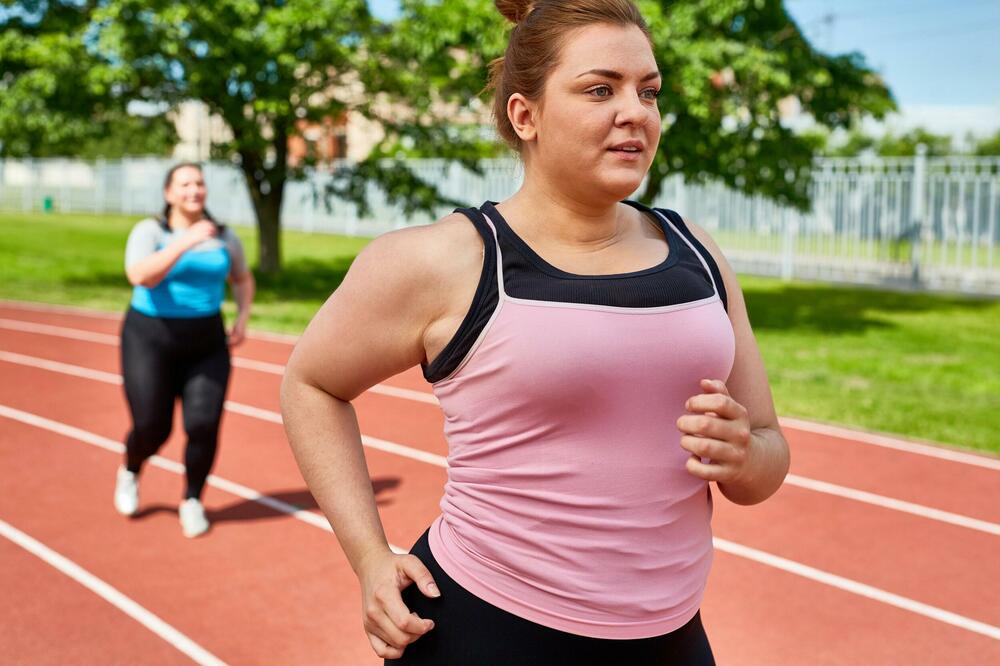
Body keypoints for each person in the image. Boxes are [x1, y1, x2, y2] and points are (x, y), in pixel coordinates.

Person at [281, 0, 790, 663]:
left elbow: (768, 450)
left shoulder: (699, 254)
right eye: (600, 89)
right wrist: (370, 557)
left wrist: (744, 457)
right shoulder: (446, 260)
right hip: (488, 631)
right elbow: (311, 383)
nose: (635, 110)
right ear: (526, 116)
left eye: (649, 90)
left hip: (670, 640)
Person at [114, 162, 255, 538]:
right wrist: (187, 240)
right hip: (149, 337)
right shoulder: (150, 230)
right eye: (185, 184)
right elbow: (140, 275)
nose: (194, 190)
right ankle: (130, 469)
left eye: (200, 183)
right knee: (152, 427)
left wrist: (242, 315)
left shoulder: (224, 236)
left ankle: (192, 500)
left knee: (203, 424)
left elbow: (241, 277)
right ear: (169, 193)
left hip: (206, 343)